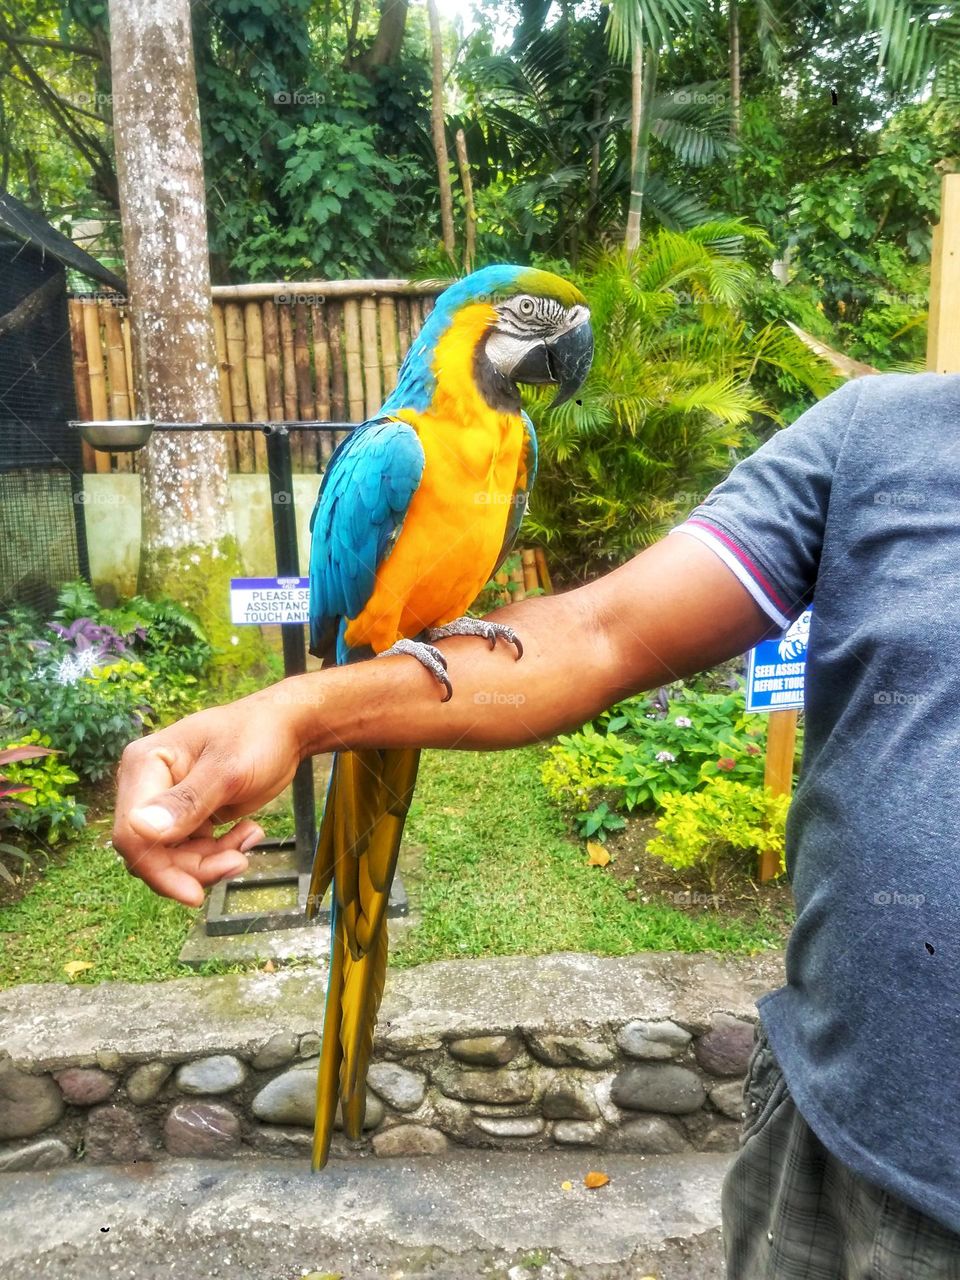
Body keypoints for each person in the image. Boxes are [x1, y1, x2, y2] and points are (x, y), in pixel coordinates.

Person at [113, 372, 960, 1279]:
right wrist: (296, 712)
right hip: (832, 1112)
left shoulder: (513, 448)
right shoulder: (880, 429)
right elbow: (600, 634)